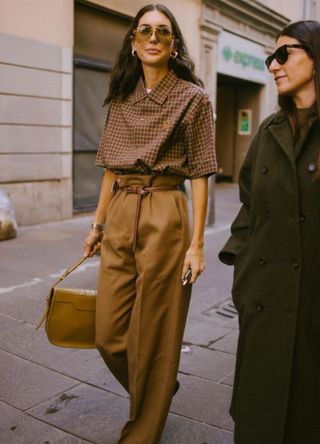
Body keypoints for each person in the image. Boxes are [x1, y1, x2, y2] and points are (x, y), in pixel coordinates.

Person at [83, 4, 217, 443]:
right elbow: (108, 168)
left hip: (166, 208)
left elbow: (200, 171)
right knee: (108, 332)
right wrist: (97, 226)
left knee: (156, 328)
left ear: (173, 44)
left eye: (163, 31)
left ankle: (142, 431)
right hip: (122, 206)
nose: (154, 37)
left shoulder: (193, 98)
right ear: (134, 44)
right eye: (145, 31)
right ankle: (159, 386)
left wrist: (196, 243)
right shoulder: (120, 98)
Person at [219, 20, 320, 444]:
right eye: (269, 57)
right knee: (260, 421)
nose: (273, 65)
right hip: (264, 300)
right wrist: (243, 272)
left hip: (313, 303)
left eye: (284, 54)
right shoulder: (268, 130)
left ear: (315, 58)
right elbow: (248, 203)